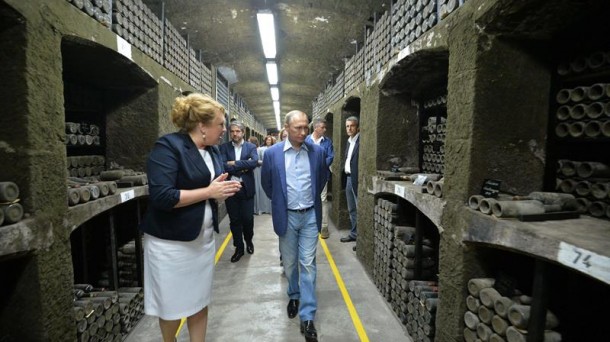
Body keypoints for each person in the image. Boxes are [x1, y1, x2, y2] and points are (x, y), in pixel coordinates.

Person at [140, 93, 242, 342]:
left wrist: (220, 193)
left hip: (202, 242)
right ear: (202, 126)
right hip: (172, 244)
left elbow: (208, 189)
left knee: (199, 300)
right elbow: (163, 196)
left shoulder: (213, 152)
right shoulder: (169, 147)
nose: (225, 129)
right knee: (173, 304)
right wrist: (209, 191)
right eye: (220, 124)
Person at [261, 110, 327, 342]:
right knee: (290, 263)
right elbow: (268, 185)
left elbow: (321, 179)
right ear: (287, 129)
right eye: (297, 128)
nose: (302, 132)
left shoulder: (317, 153)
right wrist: (282, 202)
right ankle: (294, 294)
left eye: (305, 128)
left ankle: (307, 315)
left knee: (308, 263)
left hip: (309, 215)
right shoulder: (272, 154)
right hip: (286, 216)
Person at [219, 122, 259, 262]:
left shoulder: (251, 147)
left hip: (246, 188)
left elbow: (254, 163)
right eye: (232, 131)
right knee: (235, 220)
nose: (234, 134)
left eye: (237, 131)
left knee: (248, 219)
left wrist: (233, 163)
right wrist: (243, 165)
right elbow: (222, 165)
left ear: (243, 132)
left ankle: (249, 240)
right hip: (230, 188)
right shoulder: (223, 147)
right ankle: (239, 247)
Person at [305, 118, 334, 239]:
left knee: (322, 199)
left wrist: (318, 166)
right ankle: (308, 225)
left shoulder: (327, 142)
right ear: (316, 128)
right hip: (307, 176)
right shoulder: (306, 140)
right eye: (322, 127)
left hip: (322, 175)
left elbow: (330, 157)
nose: (325, 129)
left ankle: (324, 226)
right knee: (308, 198)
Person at [340, 116, 360, 245]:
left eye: (352, 126)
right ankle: (354, 234)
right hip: (348, 178)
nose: (349, 128)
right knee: (352, 209)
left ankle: (360, 240)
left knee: (359, 208)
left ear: (357, 127)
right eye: (347, 126)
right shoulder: (349, 141)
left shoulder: (360, 141)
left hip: (356, 178)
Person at [254, 136, 274, 214]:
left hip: (272, 171)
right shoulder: (260, 149)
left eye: (270, 140)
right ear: (265, 141)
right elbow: (256, 160)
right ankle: (262, 208)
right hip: (261, 170)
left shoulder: (275, 148)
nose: (268, 141)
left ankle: (270, 209)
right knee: (262, 188)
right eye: (267, 140)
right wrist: (264, 162)